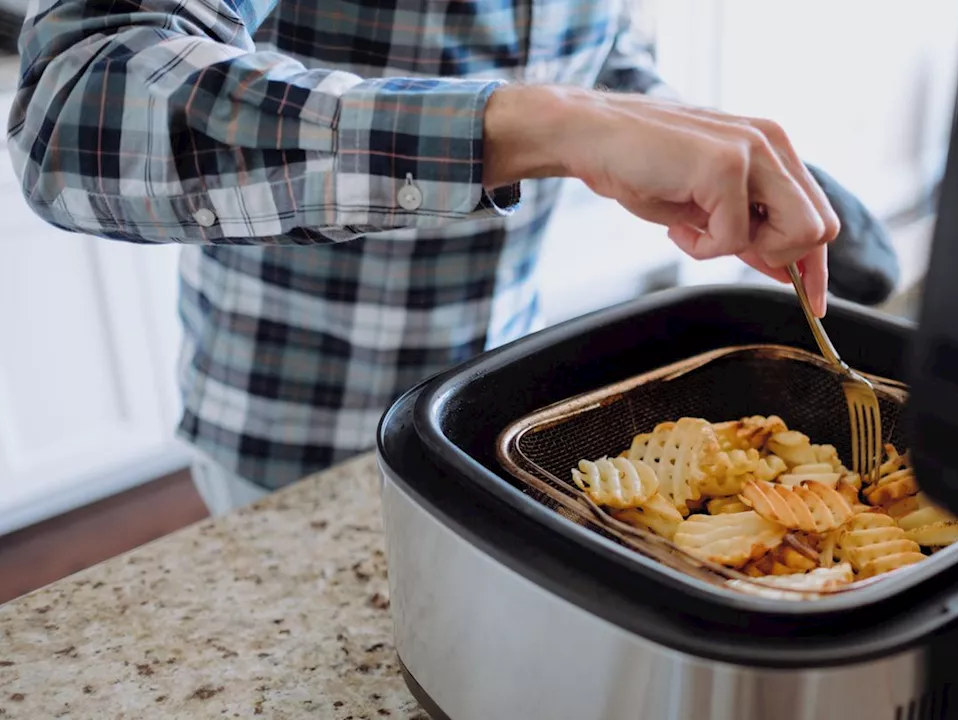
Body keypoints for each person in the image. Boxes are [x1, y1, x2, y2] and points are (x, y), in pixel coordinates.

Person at [7, 0, 892, 515]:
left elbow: (600, 54)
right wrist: (532, 127)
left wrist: (698, 146)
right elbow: (76, 113)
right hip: (299, 434)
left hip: (499, 402)